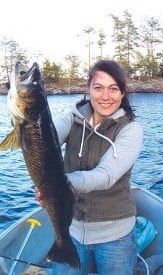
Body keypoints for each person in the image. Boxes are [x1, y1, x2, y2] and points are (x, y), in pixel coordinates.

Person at [35, 59, 143, 275]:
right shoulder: (71, 118)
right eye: (98, 88)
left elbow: (105, 176)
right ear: (89, 90)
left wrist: (56, 186)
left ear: (122, 93)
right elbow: (44, 140)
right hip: (71, 229)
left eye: (113, 89)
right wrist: (26, 122)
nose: (105, 96)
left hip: (114, 235)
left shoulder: (131, 129)